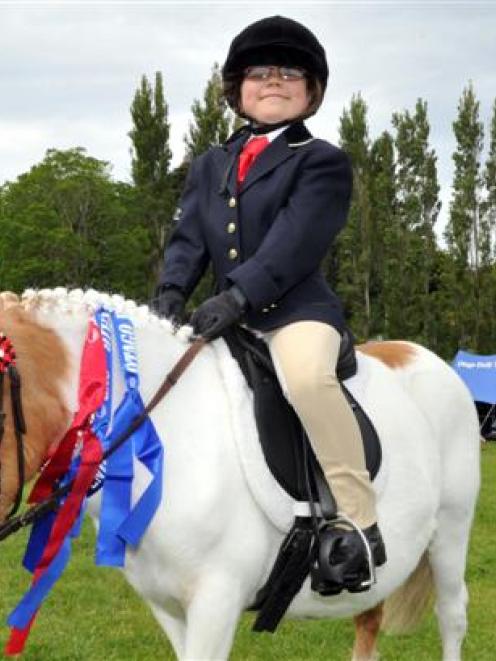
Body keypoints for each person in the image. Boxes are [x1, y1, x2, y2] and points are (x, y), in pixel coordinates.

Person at [155, 15, 386, 593]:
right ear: (238, 89)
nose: (274, 81)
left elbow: (296, 240)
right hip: (223, 314)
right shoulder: (210, 164)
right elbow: (188, 238)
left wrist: (239, 295)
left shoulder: (323, 161)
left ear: (311, 91)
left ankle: (360, 521)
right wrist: (170, 294)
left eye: (289, 73)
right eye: (261, 73)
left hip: (294, 313)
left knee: (307, 379)